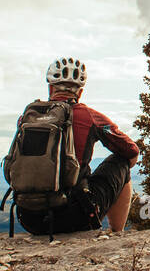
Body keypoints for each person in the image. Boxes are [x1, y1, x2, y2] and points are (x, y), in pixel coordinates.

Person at [13, 57, 139, 235]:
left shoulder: (27, 116)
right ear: (79, 92)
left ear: (50, 87)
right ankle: (116, 232)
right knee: (121, 161)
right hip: (75, 217)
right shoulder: (89, 116)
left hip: (29, 219)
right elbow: (131, 151)